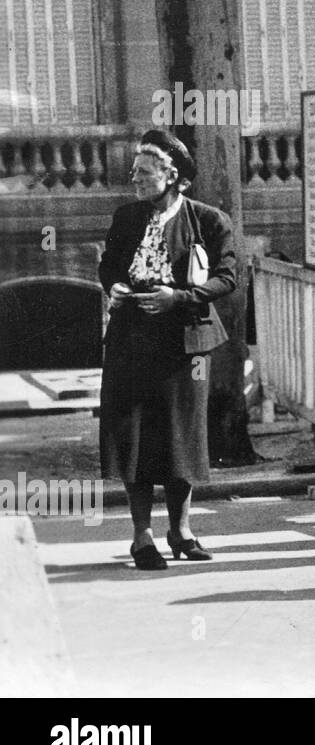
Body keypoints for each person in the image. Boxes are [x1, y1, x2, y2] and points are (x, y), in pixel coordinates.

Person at [99, 129, 238, 571]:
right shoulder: (126, 218)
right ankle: (142, 536)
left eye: (143, 172)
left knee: (182, 437)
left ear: (171, 175)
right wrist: (115, 286)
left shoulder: (209, 221)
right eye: (134, 171)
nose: (134, 178)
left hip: (184, 345)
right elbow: (109, 266)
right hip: (130, 341)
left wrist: (177, 298)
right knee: (135, 437)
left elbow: (227, 278)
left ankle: (182, 530)